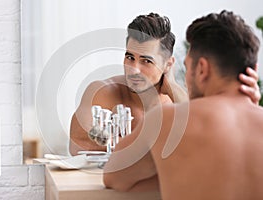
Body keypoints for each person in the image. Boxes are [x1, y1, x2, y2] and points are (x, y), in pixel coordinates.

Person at [103, 10, 263, 200]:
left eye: (187, 67)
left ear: (202, 69)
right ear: (253, 70)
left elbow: (114, 176)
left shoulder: (166, 121)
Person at [69, 13, 261, 156]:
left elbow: (208, 143)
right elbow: (77, 142)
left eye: (146, 61)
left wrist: (173, 89)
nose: (133, 69)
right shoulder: (103, 91)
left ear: (168, 64)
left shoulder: (178, 102)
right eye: (129, 57)